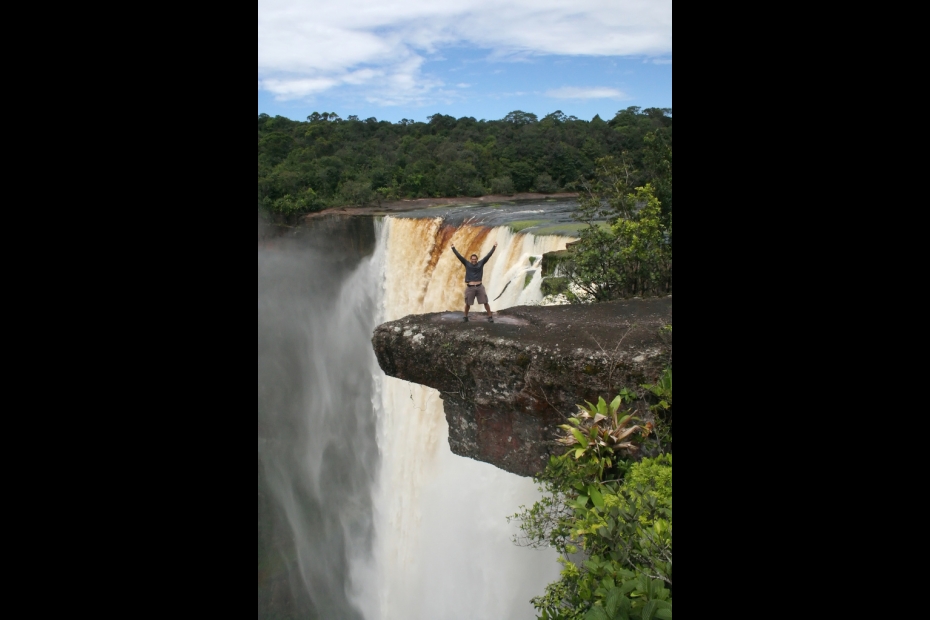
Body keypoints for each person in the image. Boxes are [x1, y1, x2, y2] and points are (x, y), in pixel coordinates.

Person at [451, 242, 497, 322]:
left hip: (479, 286)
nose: (474, 260)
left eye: (475, 259)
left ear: (477, 259)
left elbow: (488, 256)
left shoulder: (481, 263)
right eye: (472, 259)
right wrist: (453, 248)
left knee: (485, 302)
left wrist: (494, 247)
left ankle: (490, 316)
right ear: (470, 259)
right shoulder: (467, 264)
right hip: (470, 287)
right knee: (468, 304)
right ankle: (465, 317)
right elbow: (459, 256)